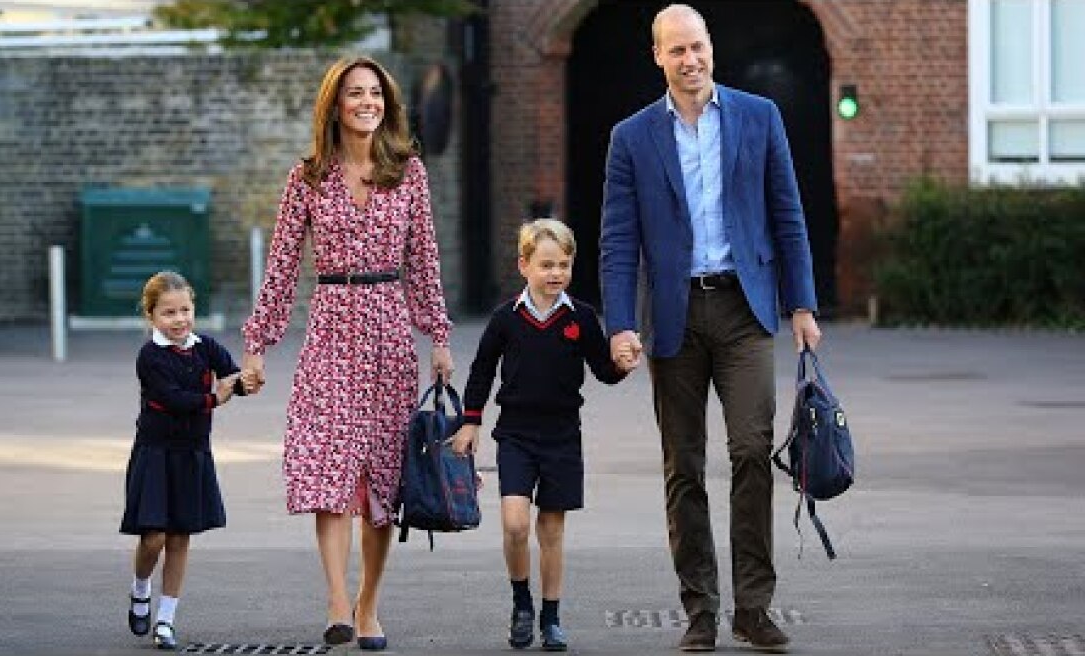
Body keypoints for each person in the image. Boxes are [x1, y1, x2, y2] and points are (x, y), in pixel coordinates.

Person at [599, 4, 823, 653]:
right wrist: (619, 325)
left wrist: (802, 306)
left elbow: (789, 214)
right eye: (677, 51)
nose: (690, 61)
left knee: (752, 452)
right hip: (672, 317)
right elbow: (618, 242)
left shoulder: (759, 116)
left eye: (698, 47)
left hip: (745, 308)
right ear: (658, 57)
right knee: (683, 467)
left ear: (711, 49)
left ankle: (754, 606)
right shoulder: (632, 137)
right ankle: (700, 609)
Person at [238, 55, 454, 652]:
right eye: (355, 93)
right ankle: (336, 599)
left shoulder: (408, 173)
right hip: (330, 330)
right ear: (334, 103)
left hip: (388, 334)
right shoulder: (306, 177)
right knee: (329, 466)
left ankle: (369, 605)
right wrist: (256, 346)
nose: (367, 102)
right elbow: (281, 268)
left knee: (382, 481)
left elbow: (424, 261)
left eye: (376, 94)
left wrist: (438, 336)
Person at [450, 219, 633, 652]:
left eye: (564, 265)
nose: (556, 273)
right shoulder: (505, 319)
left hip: (563, 437)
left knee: (551, 529)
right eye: (546, 264)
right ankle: (521, 605)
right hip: (515, 435)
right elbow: (481, 371)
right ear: (524, 265)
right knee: (515, 524)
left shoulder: (581, 318)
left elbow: (603, 372)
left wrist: (622, 365)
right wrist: (470, 419)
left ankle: (551, 617)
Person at [120, 270, 246, 651]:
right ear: (152, 316)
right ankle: (141, 588)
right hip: (156, 453)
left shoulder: (205, 346)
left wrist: (245, 382)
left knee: (179, 538)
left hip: (193, 454)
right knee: (153, 536)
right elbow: (174, 400)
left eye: (185, 310)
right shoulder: (150, 357)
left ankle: (165, 621)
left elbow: (232, 373)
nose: (179, 320)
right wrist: (216, 398)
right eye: (169, 313)